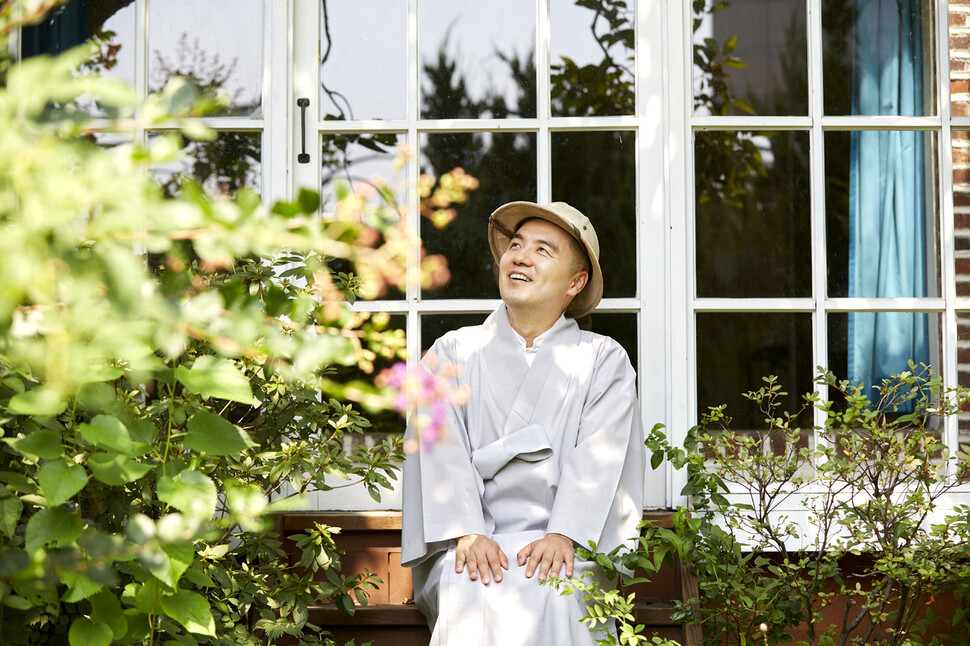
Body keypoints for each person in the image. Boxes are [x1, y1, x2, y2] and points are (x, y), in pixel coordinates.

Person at [401, 201, 645, 645]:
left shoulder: (602, 360)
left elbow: (599, 459)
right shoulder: (451, 353)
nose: (520, 256)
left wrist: (564, 535)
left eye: (542, 249)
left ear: (576, 281)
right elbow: (440, 450)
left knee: (560, 590)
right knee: (467, 583)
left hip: (567, 545)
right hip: (469, 542)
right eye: (515, 245)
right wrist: (467, 532)